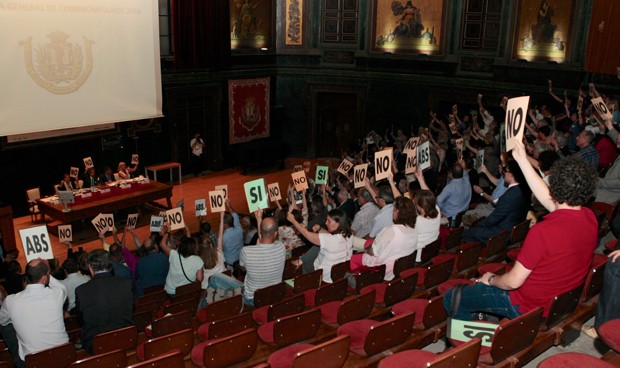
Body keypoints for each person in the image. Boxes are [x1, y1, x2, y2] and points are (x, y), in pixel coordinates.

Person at [444, 140, 598, 321]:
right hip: (557, 302)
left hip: (524, 305)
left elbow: (512, 282)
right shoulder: (590, 218)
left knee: (452, 297)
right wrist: (522, 159)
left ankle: (475, 342)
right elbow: (549, 198)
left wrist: (491, 279)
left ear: (555, 187)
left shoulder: (543, 231)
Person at [0, 259, 68, 367]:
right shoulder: (57, 294)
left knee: (5, 325)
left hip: (32, 360)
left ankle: (16, 354)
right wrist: (47, 271)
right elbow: (60, 286)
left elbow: (2, 321)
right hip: (64, 355)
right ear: (45, 278)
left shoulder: (10, 300)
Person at [75, 249, 133, 354]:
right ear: (111, 266)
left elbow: (80, 320)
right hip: (126, 338)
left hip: (95, 345)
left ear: (90, 268)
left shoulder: (81, 291)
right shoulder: (126, 284)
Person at [350, 196, 418, 281]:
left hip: (384, 266)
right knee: (368, 242)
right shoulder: (414, 229)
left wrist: (366, 250)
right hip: (400, 263)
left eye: (393, 209)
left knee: (353, 259)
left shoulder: (391, 230)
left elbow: (373, 252)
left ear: (397, 212)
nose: (392, 212)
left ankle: (360, 282)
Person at [462, 160, 529, 244]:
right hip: (513, 228)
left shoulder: (508, 197)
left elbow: (493, 219)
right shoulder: (525, 189)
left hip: (502, 233)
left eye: (506, 171)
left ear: (511, 174)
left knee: (468, 233)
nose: (504, 173)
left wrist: (478, 225)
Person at [288, 208, 353, 283]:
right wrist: (320, 229)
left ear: (338, 223)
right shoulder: (349, 236)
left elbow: (306, 234)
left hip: (323, 276)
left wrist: (293, 221)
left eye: (329, 221)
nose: (326, 223)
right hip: (339, 273)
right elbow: (330, 237)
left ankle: (304, 277)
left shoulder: (330, 240)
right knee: (316, 248)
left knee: (308, 259)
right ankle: (301, 261)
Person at [239, 209, 286, 305]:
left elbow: (242, 269)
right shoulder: (281, 247)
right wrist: (259, 219)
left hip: (253, 299)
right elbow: (265, 240)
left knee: (216, 278)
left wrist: (259, 219)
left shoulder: (246, 252)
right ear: (276, 233)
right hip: (275, 296)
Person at [159, 227, 204, 296]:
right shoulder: (198, 260)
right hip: (187, 291)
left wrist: (167, 233)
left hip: (171, 292)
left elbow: (162, 244)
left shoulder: (174, 255)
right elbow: (200, 278)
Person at [222, 199, 244, 269]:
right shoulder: (239, 230)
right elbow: (235, 215)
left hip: (230, 264)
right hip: (241, 261)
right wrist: (229, 206)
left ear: (225, 225)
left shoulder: (224, 237)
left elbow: (219, 249)